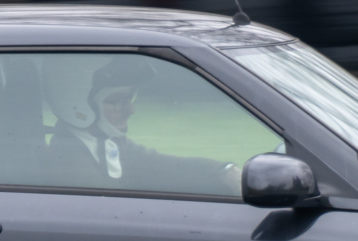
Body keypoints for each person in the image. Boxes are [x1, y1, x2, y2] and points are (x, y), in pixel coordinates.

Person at [44, 55, 240, 195]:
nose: (131, 110)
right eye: (117, 101)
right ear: (78, 102)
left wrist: (223, 172)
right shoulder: (71, 168)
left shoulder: (103, 142)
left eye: (130, 98)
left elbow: (158, 164)